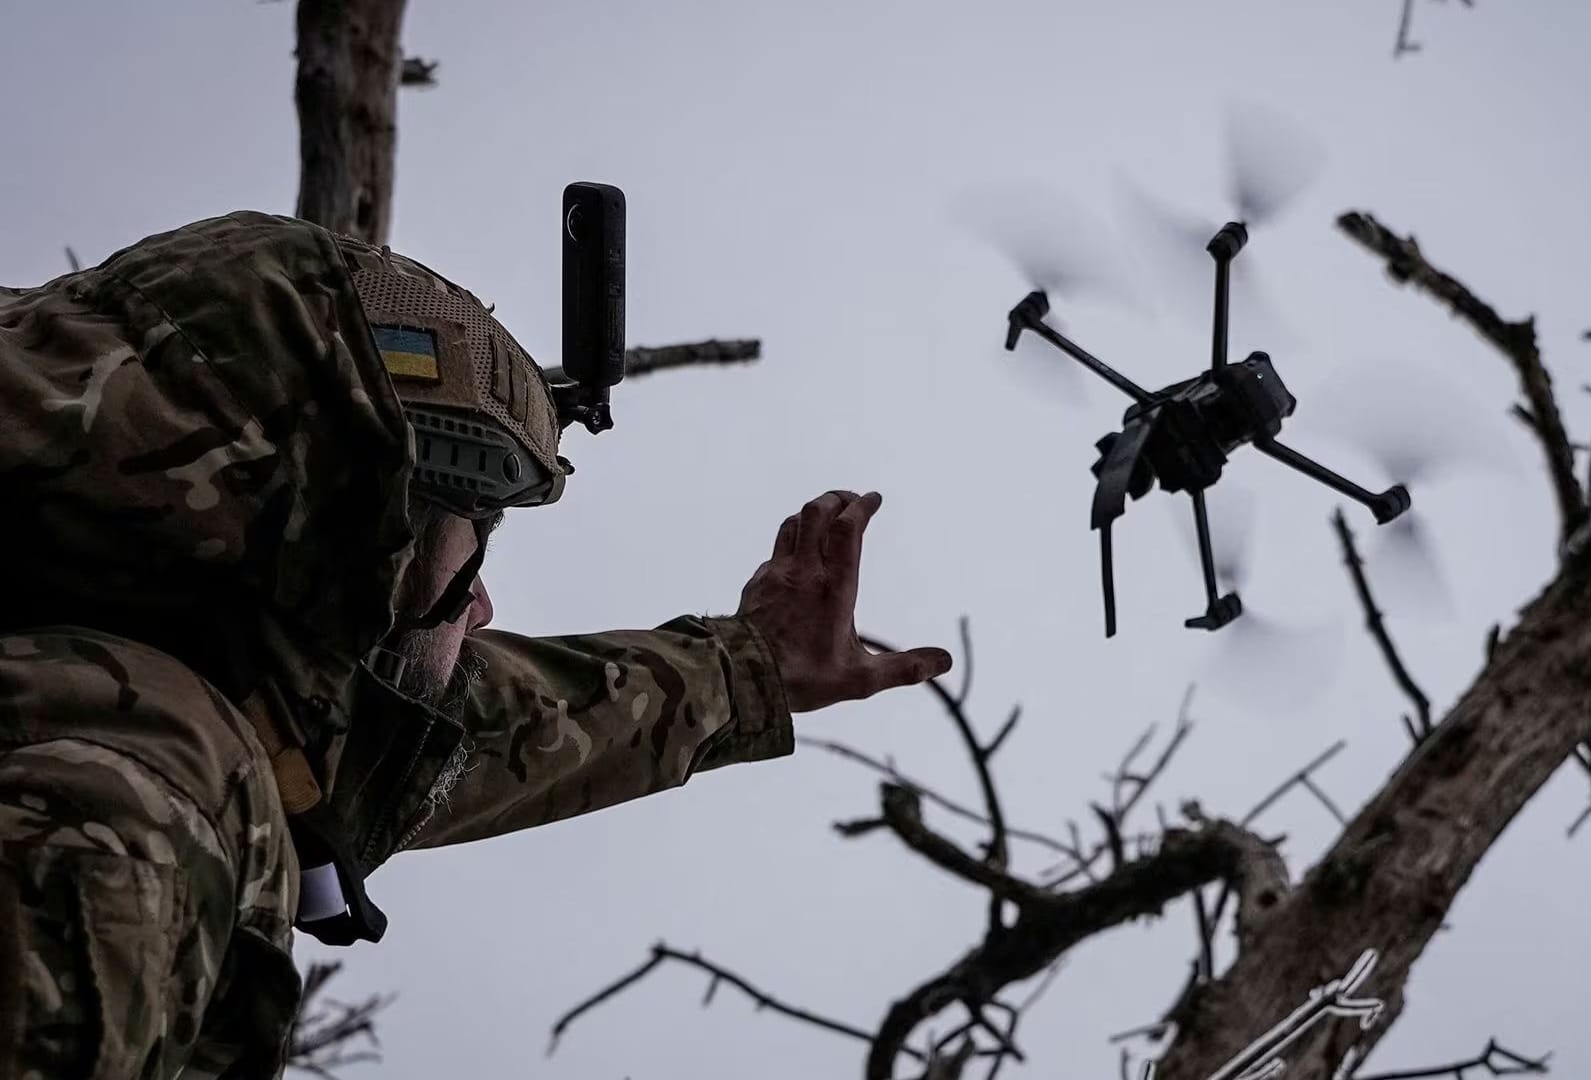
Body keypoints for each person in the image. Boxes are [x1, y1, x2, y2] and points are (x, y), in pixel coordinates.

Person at [0, 209, 952, 1078]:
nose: (485, 607)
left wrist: (746, 669)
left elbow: (451, 722)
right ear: (354, 536)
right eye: (469, 548)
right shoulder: (125, 789)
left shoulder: (112, 653)